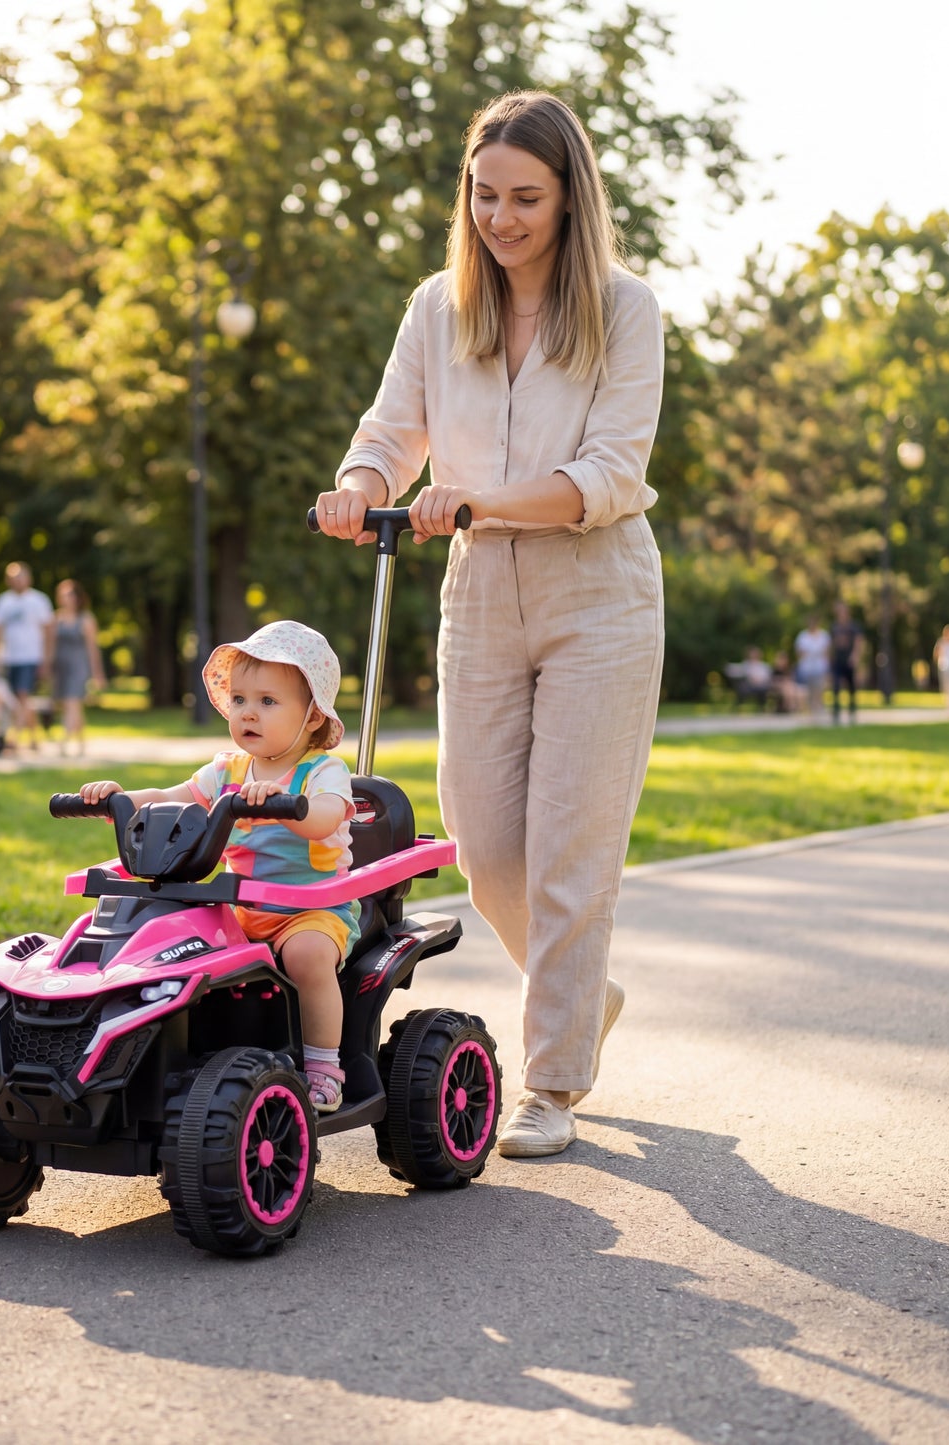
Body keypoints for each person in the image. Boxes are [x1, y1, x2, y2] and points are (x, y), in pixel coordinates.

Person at [315, 90, 664, 1158]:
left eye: (525, 198)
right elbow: (390, 433)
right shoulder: (438, 306)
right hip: (478, 592)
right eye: (483, 195)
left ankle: (551, 1080)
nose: (500, 218)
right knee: (481, 847)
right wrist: (357, 484)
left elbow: (609, 474)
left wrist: (478, 499)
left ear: (568, 199)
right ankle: (583, 993)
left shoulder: (623, 309)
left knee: (568, 851)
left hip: (596, 593)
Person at [78, 621, 357, 1113]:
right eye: (240, 699)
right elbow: (172, 797)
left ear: (313, 715)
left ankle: (323, 1067)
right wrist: (121, 799)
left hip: (311, 911)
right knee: (170, 946)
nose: (248, 712)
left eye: (268, 701)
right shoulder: (227, 770)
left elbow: (325, 819)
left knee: (308, 956)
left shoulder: (322, 771)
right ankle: (172, 1058)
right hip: (239, 908)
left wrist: (285, 804)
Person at [0, 562, 54, 750]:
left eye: (21, 577)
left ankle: (14, 738)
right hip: (9, 658)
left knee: (23, 695)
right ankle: (34, 737)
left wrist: (46, 659)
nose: (17, 581)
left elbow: (48, 631)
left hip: (30, 657)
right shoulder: (3, 601)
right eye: (13, 578)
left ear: (28, 578)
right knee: (16, 700)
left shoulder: (38, 600)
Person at [47, 579, 106, 757]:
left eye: (70, 595)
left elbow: (92, 648)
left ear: (77, 597)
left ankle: (63, 743)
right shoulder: (56, 619)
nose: (67, 599)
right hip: (61, 667)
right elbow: (50, 645)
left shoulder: (86, 619)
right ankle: (81, 743)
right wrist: (47, 666)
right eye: (63, 595)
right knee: (70, 706)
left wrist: (97, 673)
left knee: (72, 702)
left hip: (78, 666)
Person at [828, 602, 865, 724]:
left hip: (849, 660)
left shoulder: (854, 627)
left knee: (851, 685)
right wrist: (830, 657)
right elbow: (831, 644)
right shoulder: (834, 627)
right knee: (836, 684)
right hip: (838, 659)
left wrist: (855, 656)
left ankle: (852, 708)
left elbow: (859, 642)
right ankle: (836, 708)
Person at [794, 614, 831, 720]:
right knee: (808, 689)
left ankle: (819, 707)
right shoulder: (803, 636)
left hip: (820, 667)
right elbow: (799, 652)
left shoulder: (824, 635)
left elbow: (827, 652)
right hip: (806, 667)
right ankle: (810, 709)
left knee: (819, 688)